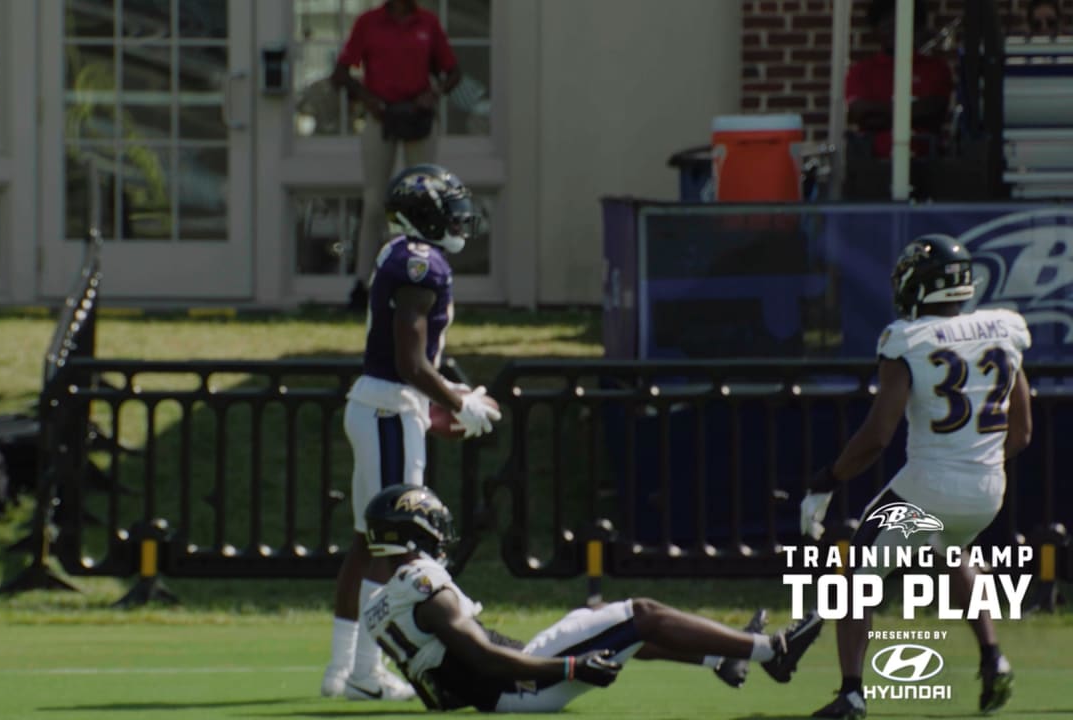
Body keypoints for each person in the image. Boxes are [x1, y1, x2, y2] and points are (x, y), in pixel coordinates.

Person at [801, 235, 1031, 719]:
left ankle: (850, 693)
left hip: (931, 483)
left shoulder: (908, 339)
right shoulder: (1005, 330)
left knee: (856, 577)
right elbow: (1023, 431)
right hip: (988, 488)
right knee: (953, 551)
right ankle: (994, 658)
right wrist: (979, 468)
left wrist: (828, 478)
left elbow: (878, 435)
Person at [357, 483, 824, 712]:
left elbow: (445, 681)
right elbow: (485, 658)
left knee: (605, 620)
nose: (441, 534)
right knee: (642, 614)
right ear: (412, 532)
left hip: (502, 690)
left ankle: (721, 660)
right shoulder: (422, 586)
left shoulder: (381, 598)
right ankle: (773, 652)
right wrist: (571, 668)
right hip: (519, 688)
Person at [321, 164, 502, 700]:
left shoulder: (403, 255)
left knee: (366, 541)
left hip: (381, 406)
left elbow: (408, 363)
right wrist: (458, 402)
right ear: (426, 215)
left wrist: (442, 401)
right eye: (448, 208)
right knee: (397, 541)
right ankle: (363, 672)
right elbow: (408, 360)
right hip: (387, 408)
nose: (459, 218)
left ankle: (343, 669)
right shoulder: (422, 265)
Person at [331, 0, 461, 312]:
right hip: (381, 117)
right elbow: (341, 73)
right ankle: (364, 284)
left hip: (418, 118)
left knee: (423, 201)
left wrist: (434, 93)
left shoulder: (427, 23)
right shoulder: (369, 23)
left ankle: (425, 278)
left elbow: (453, 72)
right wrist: (368, 99)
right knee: (375, 200)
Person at [845, 0, 954, 159]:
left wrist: (880, 114)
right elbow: (860, 113)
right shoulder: (861, 71)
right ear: (876, 28)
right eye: (885, 22)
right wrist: (913, 112)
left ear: (914, 24)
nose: (892, 28)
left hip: (928, 165)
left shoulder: (936, 68)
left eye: (897, 20)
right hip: (873, 166)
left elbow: (935, 113)